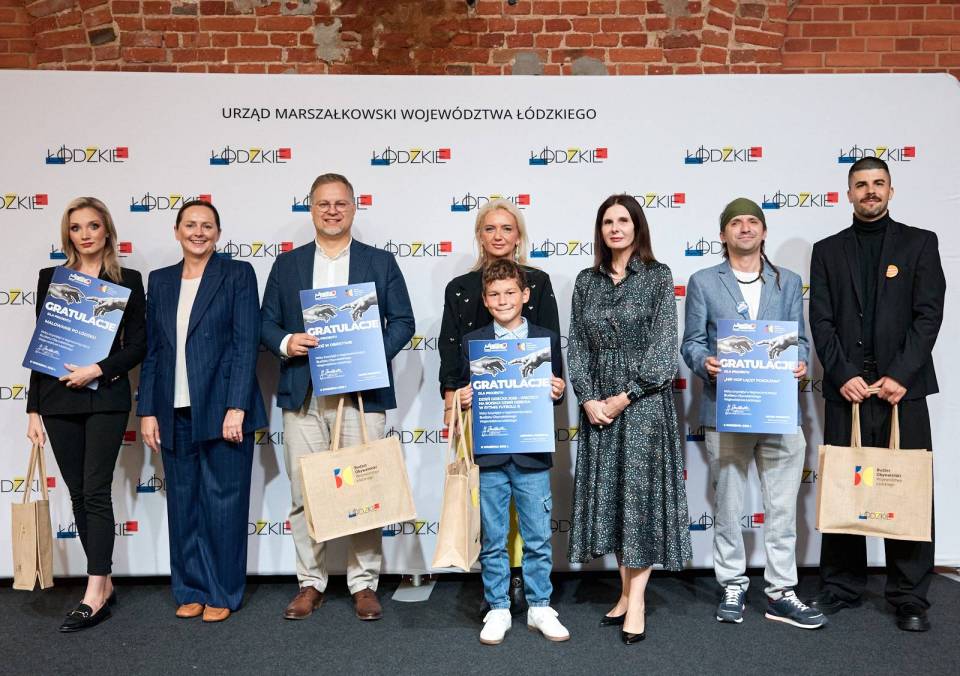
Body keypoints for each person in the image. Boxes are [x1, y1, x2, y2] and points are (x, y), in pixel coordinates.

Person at [261, 173, 415, 622]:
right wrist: (287, 341)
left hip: (361, 394)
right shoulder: (287, 265)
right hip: (303, 394)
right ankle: (310, 582)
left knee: (365, 492)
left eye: (340, 203)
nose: (332, 211)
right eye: (323, 203)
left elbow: (403, 322)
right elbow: (265, 323)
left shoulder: (379, 262)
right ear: (311, 208)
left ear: (353, 208)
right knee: (304, 491)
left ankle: (363, 584)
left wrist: (367, 357)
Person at [809, 157, 944, 632]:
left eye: (878, 183)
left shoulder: (920, 243)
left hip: (901, 392)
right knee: (844, 487)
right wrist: (843, 373)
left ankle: (910, 596)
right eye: (861, 184)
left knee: (907, 489)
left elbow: (929, 315)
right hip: (847, 391)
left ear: (891, 190)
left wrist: (901, 374)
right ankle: (841, 586)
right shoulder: (827, 251)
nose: (870, 191)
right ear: (848, 193)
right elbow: (821, 320)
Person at [681, 198, 826, 629]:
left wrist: (800, 362)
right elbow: (691, 342)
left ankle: (781, 590)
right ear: (723, 234)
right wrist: (705, 362)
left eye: (752, 222)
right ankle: (732, 583)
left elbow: (800, 340)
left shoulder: (789, 281)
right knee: (728, 504)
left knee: (781, 507)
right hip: (727, 408)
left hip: (779, 409)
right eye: (736, 223)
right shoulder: (704, 281)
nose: (745, 228)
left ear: (763, 232)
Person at [566, 194, 692, 644]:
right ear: (600, 230)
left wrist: (623, 397)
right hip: (598, 407)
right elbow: (577, 345)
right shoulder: (586, 281)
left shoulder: (658, 276)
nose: (615, 228)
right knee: (616, 500)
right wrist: (587, 399)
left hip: (643, 405)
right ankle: (623, 593)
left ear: (637, 226)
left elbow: (664, 349)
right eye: (607, 222)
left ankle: (636, 601)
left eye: (623, 220)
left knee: (639, 502)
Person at [137, 200, 267, 623]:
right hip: (172, 411)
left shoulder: (237, 274)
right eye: (190, 225)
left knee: (224, 506)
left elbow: (246, 344)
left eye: (207, 226)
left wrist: (237, 406)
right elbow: (154, 351)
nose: (198, 232)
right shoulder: (160, 281)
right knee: (183, 505)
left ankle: (221, 591)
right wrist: (148, 410)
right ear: (176, 231)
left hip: (223, 408)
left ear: (218, 234)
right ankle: (190, 588)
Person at [25, 197, 146, 632]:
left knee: (95, 491)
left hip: (105, 397)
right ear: (68, 235)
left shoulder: (127, 280)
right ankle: (104, 581)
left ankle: (94, 591)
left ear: (106, 230)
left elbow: (139, 345)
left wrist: (98, 368)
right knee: (77, 493)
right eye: (76, 228)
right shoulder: (51, 279)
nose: (86, 234)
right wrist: (33, 408)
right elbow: (44, 346)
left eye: (93, 225)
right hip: (57, 400)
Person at [439, 198, 560, 614]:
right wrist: (453, 399)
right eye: (490, 228)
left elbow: (548, 348)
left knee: (533, 516)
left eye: (507, 228)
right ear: (479, 235)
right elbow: (451, 351)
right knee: (490, 514)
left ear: (518, 235)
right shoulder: (460, 288)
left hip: (527, 422)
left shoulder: (538, 282)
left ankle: (529, 587)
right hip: (483, 416)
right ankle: (497, 596)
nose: (498, 235)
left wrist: (554, 386)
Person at [455, 259, 567, 645]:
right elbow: (463, 392)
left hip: (532, 453)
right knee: (493, 537)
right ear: (485, 300)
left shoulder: (545, 339)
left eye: (510, 293)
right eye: (494, 294)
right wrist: (463, 397)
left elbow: (555, 390)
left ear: (525, 295)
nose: (503, 300)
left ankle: (540, 606)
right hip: (490, 454)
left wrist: (557, 390)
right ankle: (498, 606)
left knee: (537, 536)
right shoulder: (473, 342)